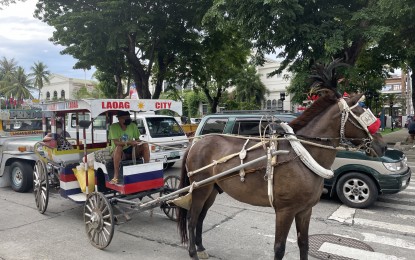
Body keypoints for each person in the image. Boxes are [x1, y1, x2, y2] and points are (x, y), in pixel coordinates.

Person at [109, 110, 150, 184]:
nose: (128, 119)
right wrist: (128, 142)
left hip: (131, 150)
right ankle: (116, 176)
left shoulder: (133, 126)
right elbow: (116, 142)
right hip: (118, 152)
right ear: (119, 119)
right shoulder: (113, 127)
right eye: (125, 118)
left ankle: (147, 170)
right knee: (119, 147)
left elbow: (137, 139)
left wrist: (139, 142)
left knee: (145, 144)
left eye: (128, 117)